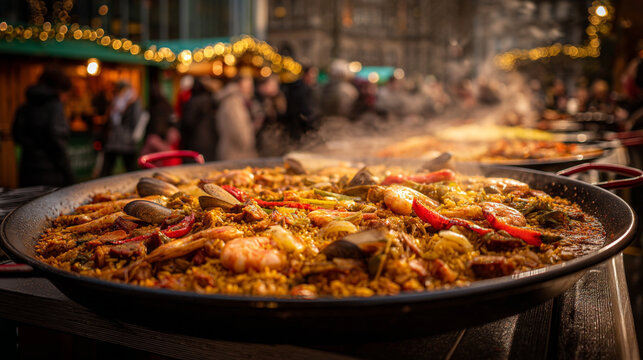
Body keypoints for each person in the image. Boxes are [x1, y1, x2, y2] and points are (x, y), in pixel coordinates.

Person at [12, 66, 75, 187]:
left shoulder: (25, 106)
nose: (66, 99)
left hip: (27, 171)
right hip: (51, 173)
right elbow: (58, 142)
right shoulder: (55, 107)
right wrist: (69, 175)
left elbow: (17, 135)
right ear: (60, 89)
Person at [99, 81, 143, 176]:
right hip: (123, 140)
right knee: (129, 169)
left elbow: (113, 120)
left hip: (119, 140)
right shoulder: (131, 100)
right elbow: (136, 120)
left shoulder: (123, 100)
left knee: (109, 167)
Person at [141, 75, 181, 166]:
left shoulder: (155, 107)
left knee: (154, 164)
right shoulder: (166, 105)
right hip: (161, 141)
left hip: (159, 140)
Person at [215, 75, 257, 160]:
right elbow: (238, 128)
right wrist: (248, 143)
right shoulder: (233, 102)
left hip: (235, 149)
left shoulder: (237, 100)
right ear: (239, 85)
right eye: (248, 85)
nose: (251, 88)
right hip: (236, 152)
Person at [180, 77, 220, 161]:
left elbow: (188, 122)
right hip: (210, 140)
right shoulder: (209, 99)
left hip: (196, 141)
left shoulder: (193, 101)